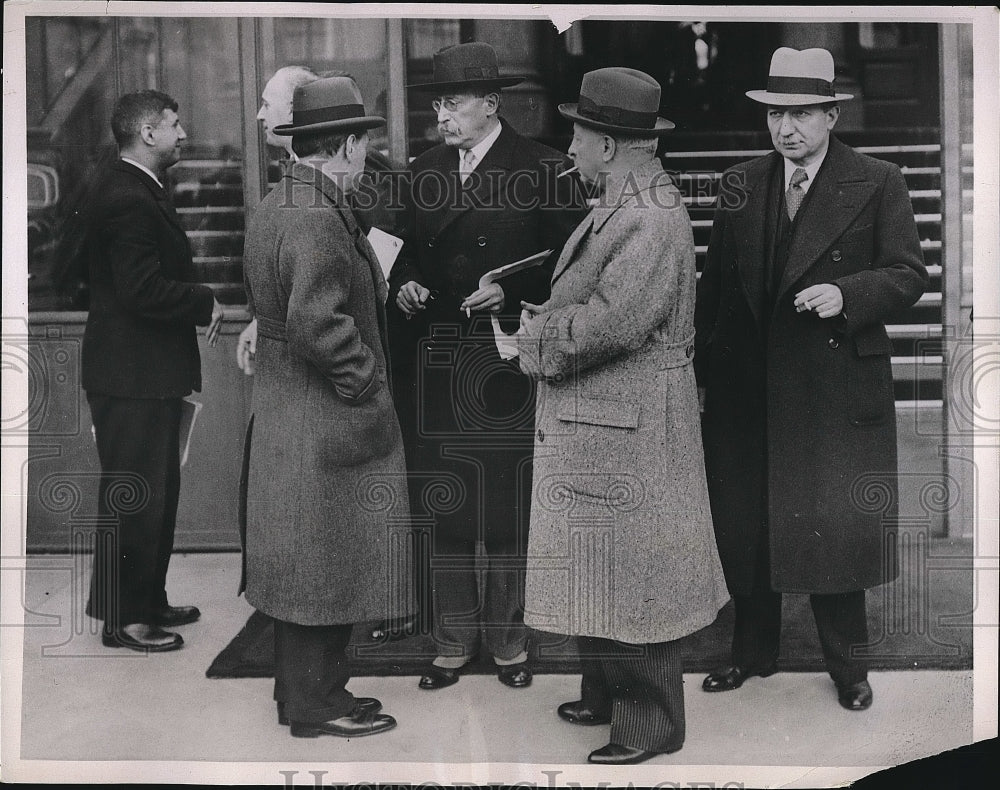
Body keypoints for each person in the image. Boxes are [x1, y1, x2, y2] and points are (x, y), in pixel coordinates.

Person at [695, 47, 927, 711]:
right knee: (748, 526)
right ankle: (752, 654)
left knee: (833, 529)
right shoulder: (742, 184)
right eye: (775, 114)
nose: (785, 128)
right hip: (747, 389)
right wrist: (702, 377)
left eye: (799, 113)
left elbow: (909, 273)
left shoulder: (878, 180)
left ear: (831, 114)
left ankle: (848, 670)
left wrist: (847, 294)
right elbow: (715, 292)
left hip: (830, 391)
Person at [517, 67, 730, 766]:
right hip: (613, 423)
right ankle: (606, 694)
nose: (570, 148)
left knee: (632, 580)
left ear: (608, 145)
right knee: (601, 569)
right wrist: (546, 319)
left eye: (577, 135)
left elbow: (612, 325)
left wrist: (533, 338)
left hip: (628, 425)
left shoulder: (646, 213)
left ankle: (650, 724)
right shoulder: (630, 199)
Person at [392, 42, 586, 689]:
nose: (442, 114)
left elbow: (575, 264)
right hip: (441, 356)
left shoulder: (544, 168)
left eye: (454, 102)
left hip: (504, 360)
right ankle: (451, 643)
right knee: (446, 502)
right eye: (438, 103)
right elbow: (400, 252)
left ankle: (508, 642)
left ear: (492, 105)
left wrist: (517, 293)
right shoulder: (422, 169)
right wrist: (408, 284)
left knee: (504, 506)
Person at [241, 76, 411, 738]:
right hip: (325, 416)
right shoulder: (318, 214)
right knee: (324, 561)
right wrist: (365, 383)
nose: (367, 153)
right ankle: (318, 704)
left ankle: (305, 696)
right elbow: (318, 322)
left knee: (305, 562)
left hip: (289, 411)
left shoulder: (279, 203)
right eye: (363, 141)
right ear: (341, 147)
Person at [81, 89, 224, 651]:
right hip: (130, 375)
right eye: (173, 124)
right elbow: (140, 289)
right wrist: (204, 300)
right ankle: (125, 618)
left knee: (153, 494)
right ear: (146, 133)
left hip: (142, 373)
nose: (183, 133)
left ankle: (148, 601)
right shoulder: (128, 195)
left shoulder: (136, 188)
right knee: (135, 496)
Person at [235, 65, 319, 375]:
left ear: (297, 111)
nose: (259, 115)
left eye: (268, 104)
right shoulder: (293, 168)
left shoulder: (342, 168)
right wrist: (260, 321)